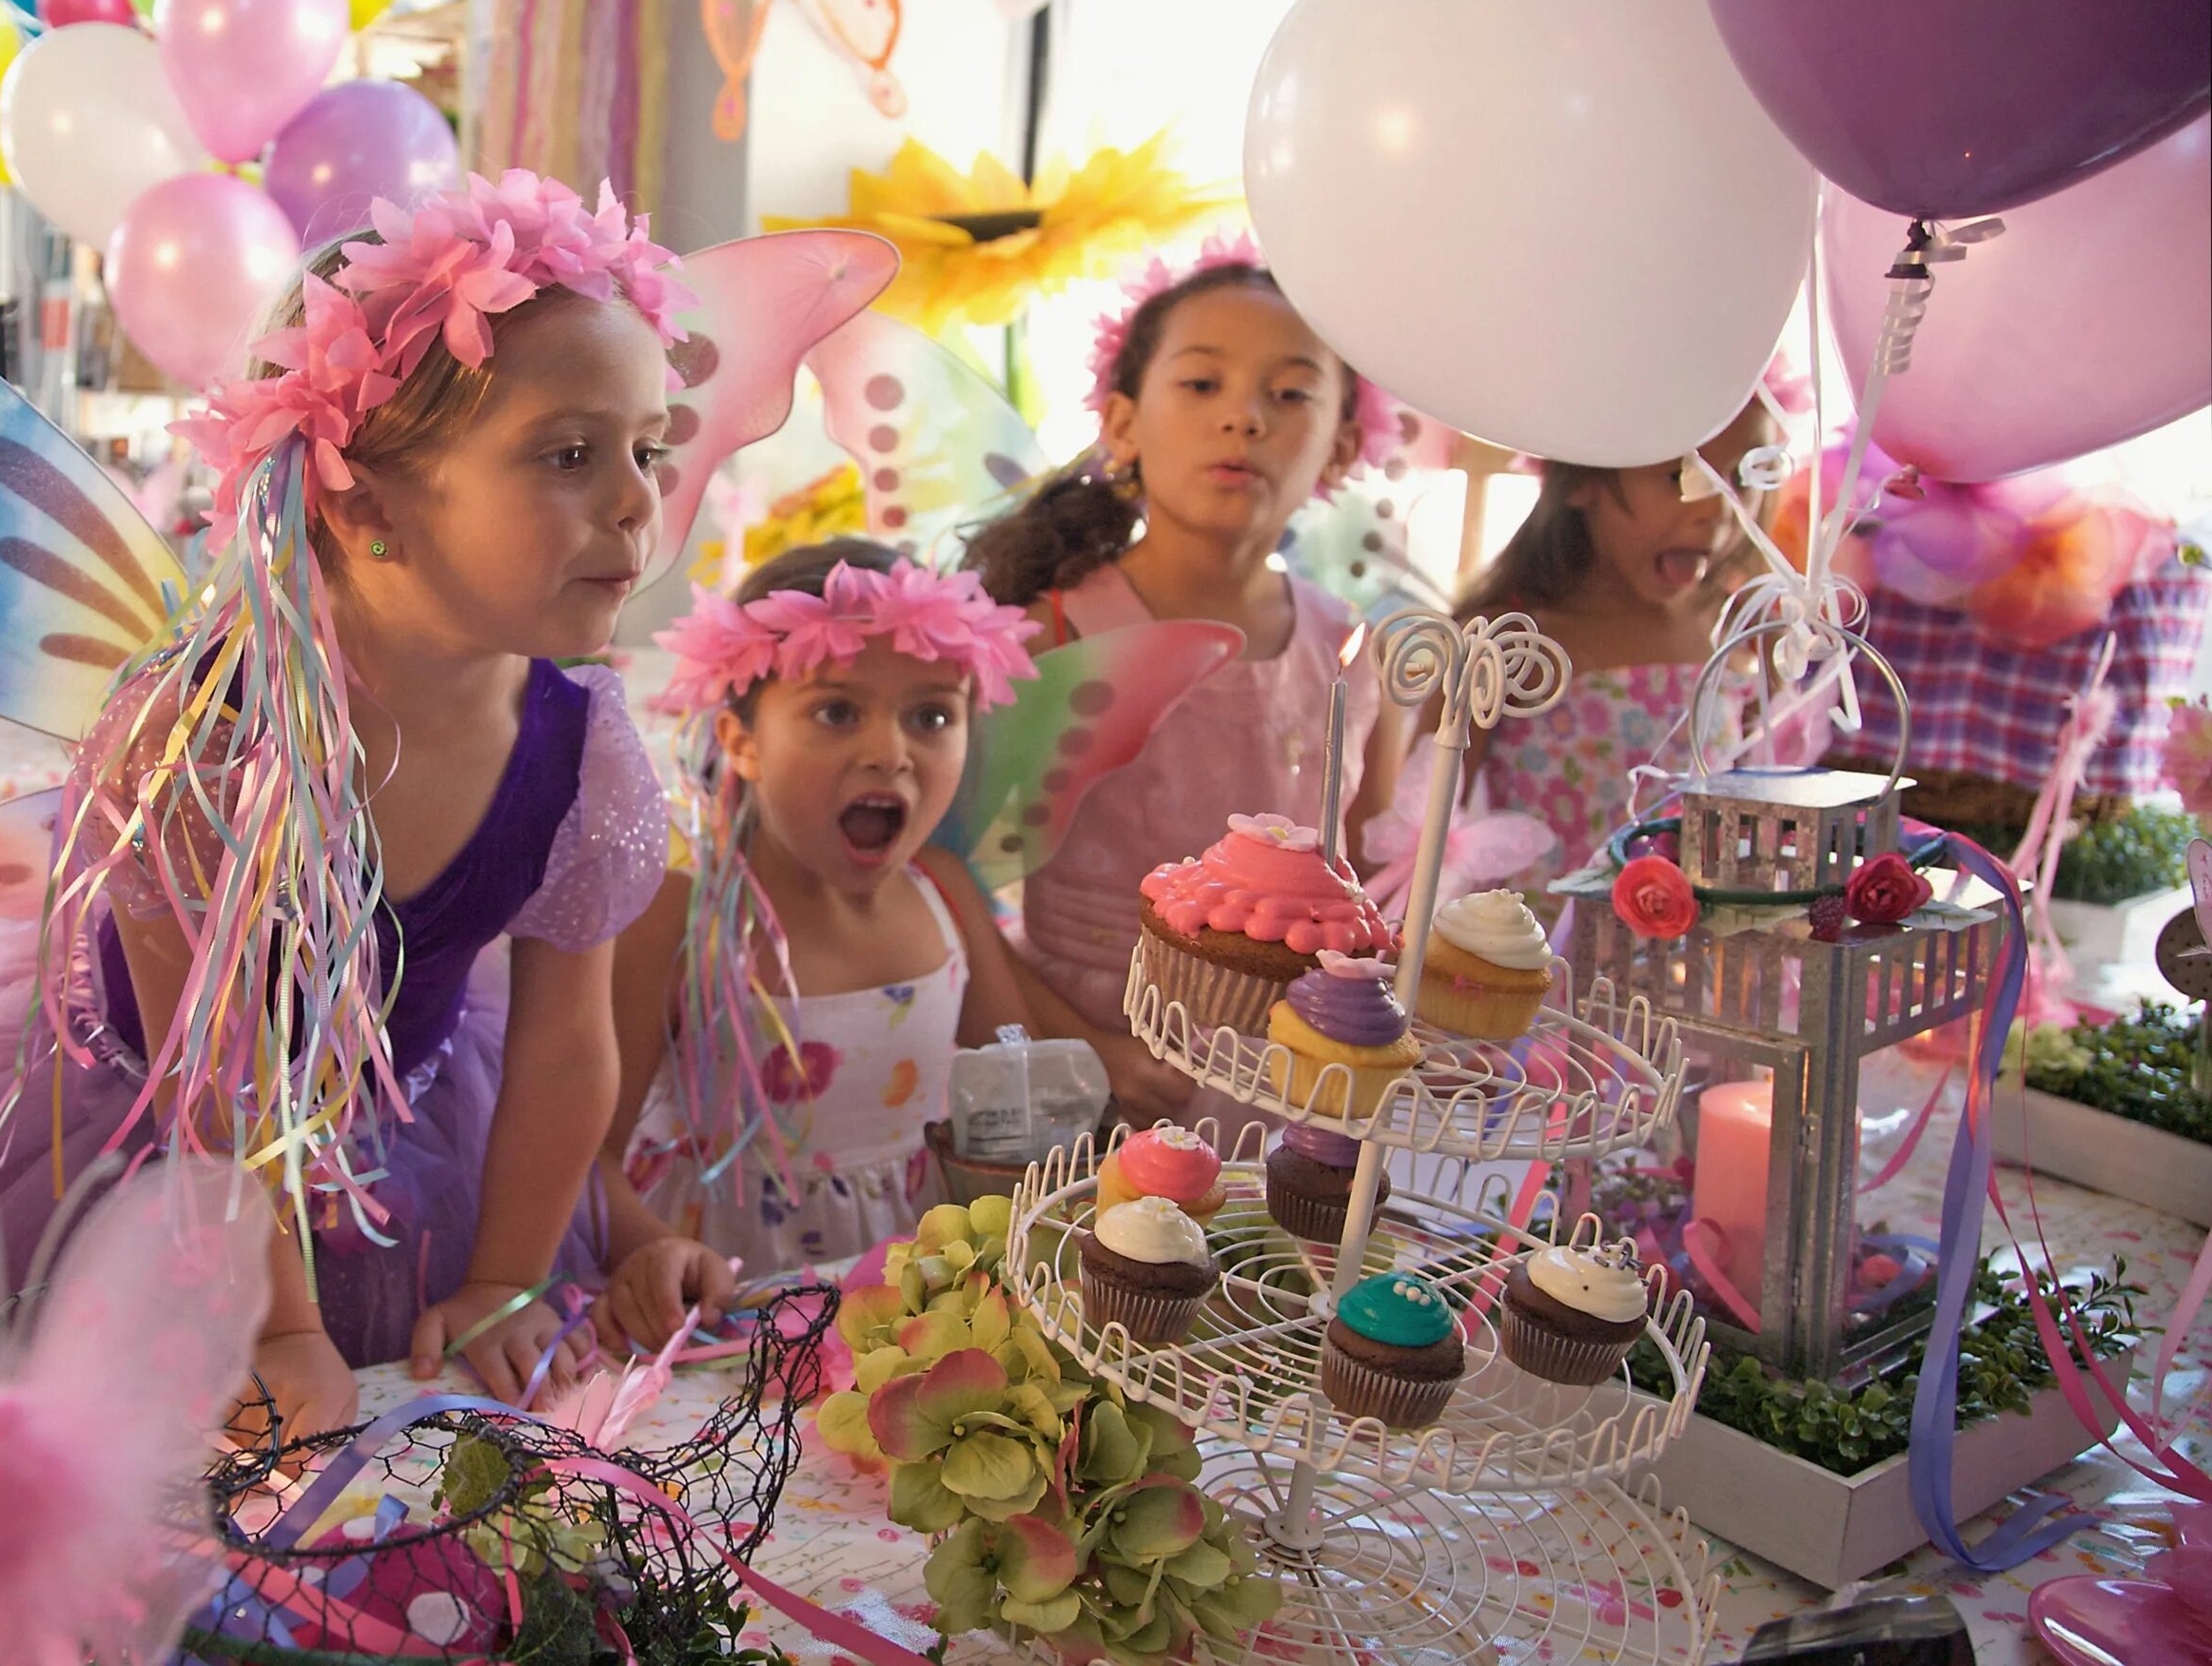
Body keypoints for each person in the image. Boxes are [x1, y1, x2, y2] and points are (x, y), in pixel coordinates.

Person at [0, 172, 678, 1417]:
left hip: (421, 1114)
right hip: (166, 1155)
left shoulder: (582, 747)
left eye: (646, 449)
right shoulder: (204, 742)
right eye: (570, 454)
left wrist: (510, 1279)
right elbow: (215, 1080)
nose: (637, 500)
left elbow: (568, 1040)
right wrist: (277, 1321)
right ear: (361, 499)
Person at [595, 540, 1117, 1347]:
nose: (888, 751)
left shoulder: (942, 895)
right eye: (837, 711)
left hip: (910, 1312)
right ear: (741, 740)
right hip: (723, 1316)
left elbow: (1019, 1102)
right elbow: (585, 1162)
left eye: (932, 715)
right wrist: (653, 1249)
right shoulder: (682, 916)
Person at [962, 237, 1406, 1112]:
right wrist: (1083, 1047)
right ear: (1124, 424)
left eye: (1289, 394)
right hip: (1088, 1076)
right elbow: (947, 876)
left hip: (1296, 1085)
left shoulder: (1358, 653)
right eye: (1202, 384)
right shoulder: (1049, 632)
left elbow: (1379, 886)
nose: (1244, 417)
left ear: (1342, 446)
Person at [1459, 398, 1791, 882]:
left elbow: (1765, 800)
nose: (1717, 508)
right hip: (1534, 951)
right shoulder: (1510, 639)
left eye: (1741, 478)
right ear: (1582, 478)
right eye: (1679, 477)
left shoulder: (1739, 630)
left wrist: (1776, 670)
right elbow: (1418, 838)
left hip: (1685, 952)